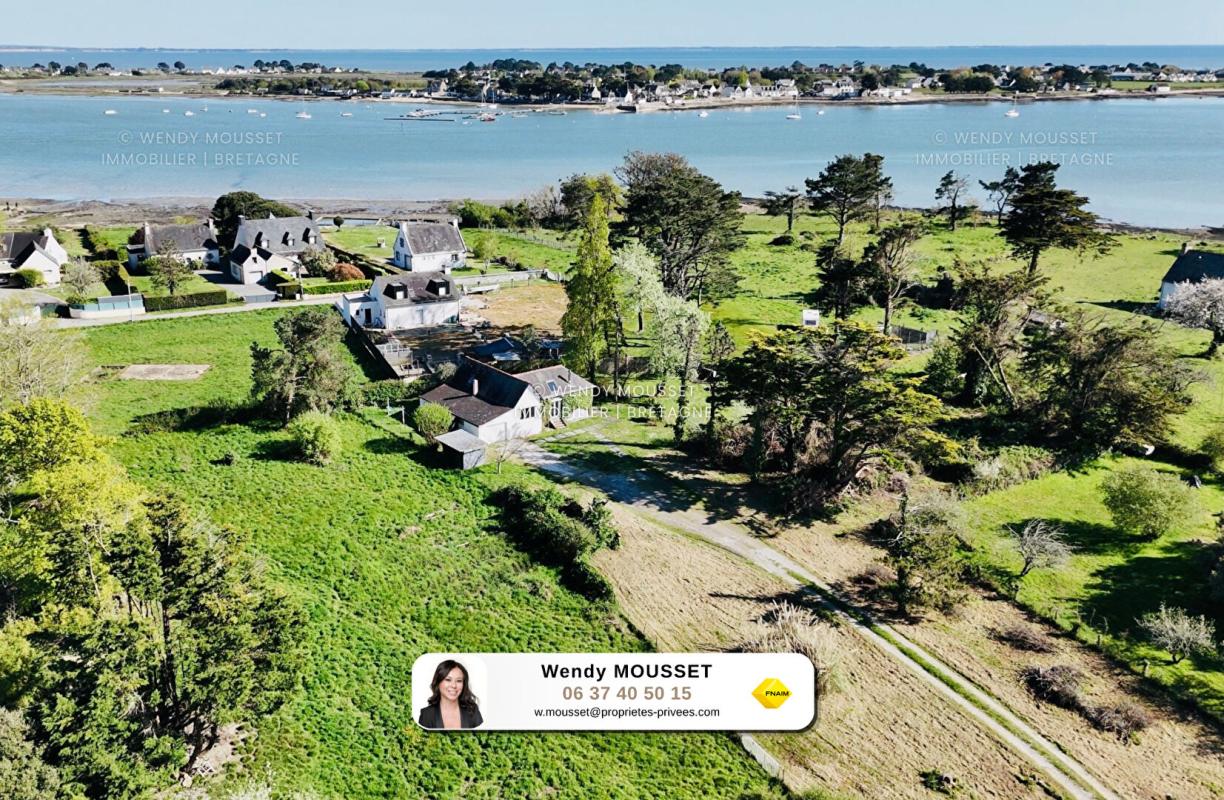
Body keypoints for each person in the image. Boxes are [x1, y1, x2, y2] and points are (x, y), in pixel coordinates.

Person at [418, 659, 483, 730]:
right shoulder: (426, 715)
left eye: (459, 681)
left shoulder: (472, 711)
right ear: (438, 682)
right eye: (448, 680)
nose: (454, 685)